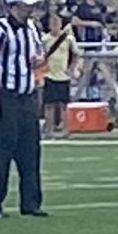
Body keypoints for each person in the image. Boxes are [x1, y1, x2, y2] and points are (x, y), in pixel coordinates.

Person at [0, 0, 47, 219]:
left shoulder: (31, 30)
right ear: (14, 4)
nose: (31, 9)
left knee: (30, 151)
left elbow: (34, 62)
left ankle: (31, 203)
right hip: (5, 96)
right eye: (27, 5)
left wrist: (37, 72)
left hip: (26, 97)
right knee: (2, 151)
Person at [40, 11, 78, 139]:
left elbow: (75, 54)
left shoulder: (68, 39)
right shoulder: (45, 39)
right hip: (50, 75)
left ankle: (66, 130)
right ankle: (49, 131)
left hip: (63, 75)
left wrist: (71, 69)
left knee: (64, 105)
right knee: (49, 105)